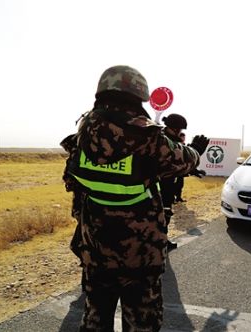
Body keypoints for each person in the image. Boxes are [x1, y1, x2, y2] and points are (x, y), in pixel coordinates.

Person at [60, 65, 209, 332]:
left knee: (95, 319)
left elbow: (73, 182)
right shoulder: (146, 135)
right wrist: (195, 151)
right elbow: (183, 161)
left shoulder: (83, 135)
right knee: (142, 323)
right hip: (139, 254)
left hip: (95, 247)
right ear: (138, 95)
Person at [159, 113, 189, 251]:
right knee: (162, 214)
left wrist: (191, 170)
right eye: (179, 130)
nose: (180, 133)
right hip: (160, 186)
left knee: (166, 213)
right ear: (174, 129)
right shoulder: (163, 140)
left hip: (168, 185)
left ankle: (163, 240)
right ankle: (161, 242)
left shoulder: (170, 140)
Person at [174, 132, 187, 203]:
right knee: (173, 184)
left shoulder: (184, 146)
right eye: (183, 137)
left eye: (184, 137)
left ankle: (178, 197)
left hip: (182, 169)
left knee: (180, 184)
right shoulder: (176, 145)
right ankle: (172, 198)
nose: (184, 139)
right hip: (175, 169)